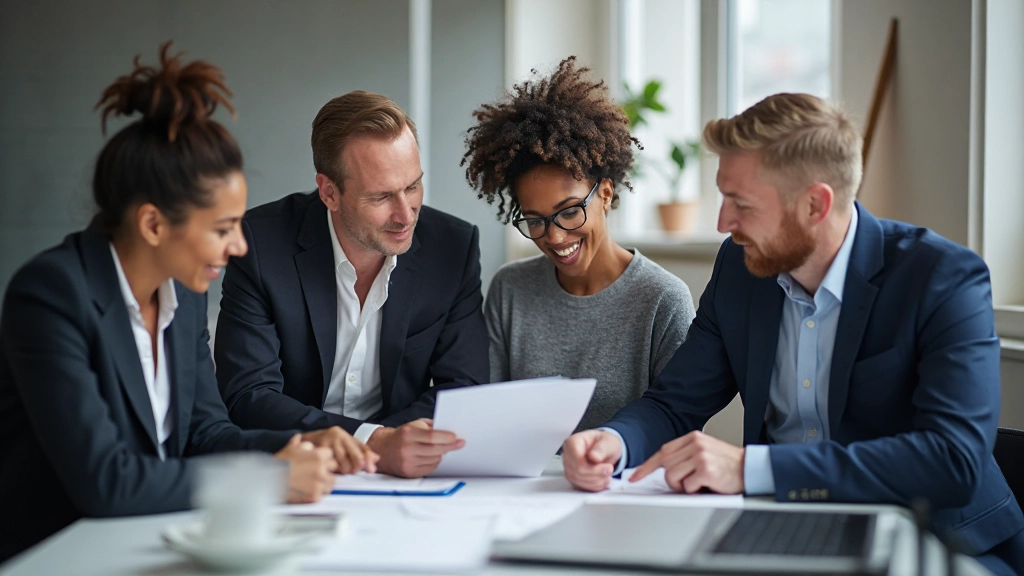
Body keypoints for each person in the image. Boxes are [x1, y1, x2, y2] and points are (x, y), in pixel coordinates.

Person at [561, 93, 1024, 574]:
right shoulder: (739, 271)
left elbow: (953, 461)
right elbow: (674, 402)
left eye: (741, 204)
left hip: (937, 544)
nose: (724, 223)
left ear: (815, 205)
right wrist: (614, 441)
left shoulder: (942, 278)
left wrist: (748, 469)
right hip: (785, 535)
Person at [0, 44, 379, 562]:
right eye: (223, 229)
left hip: (153, 542)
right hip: (62, 556)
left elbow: (205, 433)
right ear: (154, 224)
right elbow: (106, 482)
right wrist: (273, 478)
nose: (240, 246)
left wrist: (298, 449)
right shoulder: (50, 294)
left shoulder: (183, 293)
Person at [214, 90, 488, 478]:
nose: (405, 214)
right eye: (381, 196)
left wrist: (396, 444)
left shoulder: (453, 249)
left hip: (406, 478)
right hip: (297, 469)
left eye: (412, 187)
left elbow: (464, 386)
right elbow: (247, 395)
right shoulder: (258, 245)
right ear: (329, 192)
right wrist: (373, 442)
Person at [461, 56, 695, 432]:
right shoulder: (511, 290)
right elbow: (489, 416)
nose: (554, 237)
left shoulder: (661, 299)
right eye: (535, 220)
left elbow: (679, 427)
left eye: (569, 212)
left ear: (604, 194)